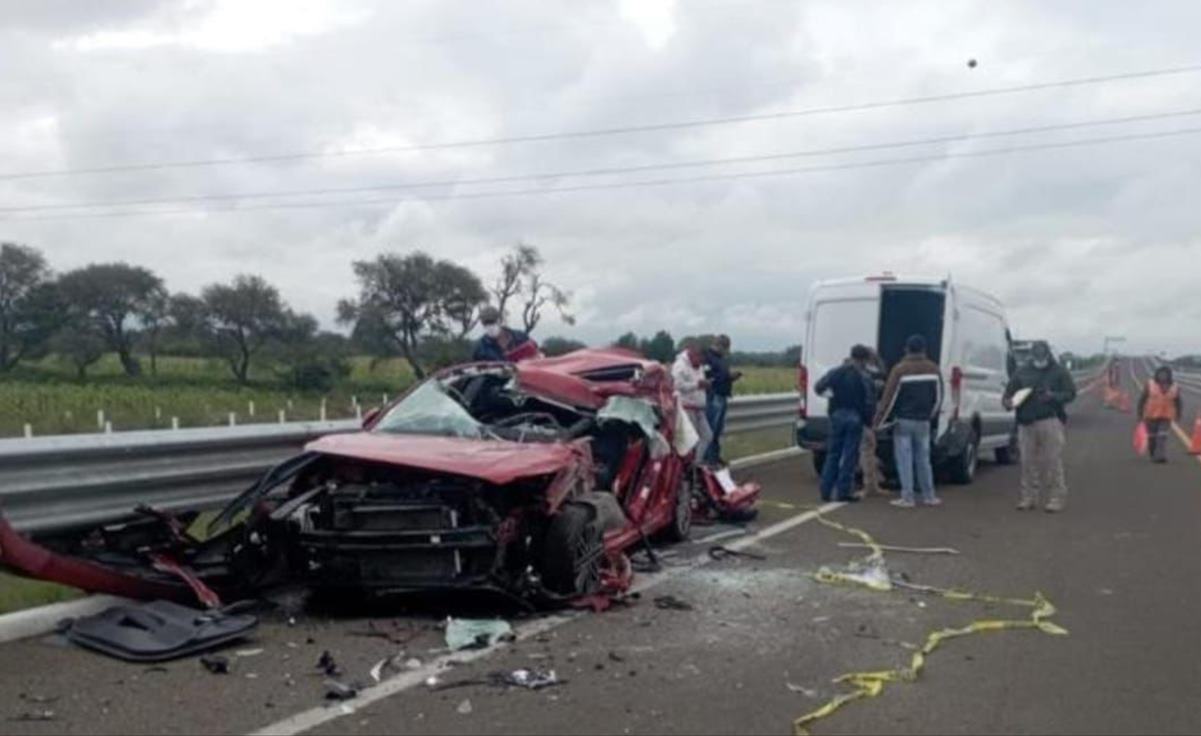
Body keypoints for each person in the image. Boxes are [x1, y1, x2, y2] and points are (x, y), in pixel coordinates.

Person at [1003, 341, 1077, 513]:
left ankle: (1056, 498)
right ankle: (1028, 497)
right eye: (1035, 352)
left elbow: (1071, 393)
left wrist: (1053, 396)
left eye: (1041, 352)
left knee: (1052, 461)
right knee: (1027, 462)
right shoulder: (1021, 371)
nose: (1038, 355)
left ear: (1048, 353)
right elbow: (1009, 392)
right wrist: (1007, 402)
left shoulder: (1059, 371)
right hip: (1025, 421)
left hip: (1049, 420)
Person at [874, 335, 943, 508]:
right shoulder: (934, 369)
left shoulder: (900, 370)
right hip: (924, 421)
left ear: (906, 349)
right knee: (923, 459)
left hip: (903, 421)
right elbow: (939, 396)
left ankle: (908, 497)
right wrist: (931, 415)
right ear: (924, 349)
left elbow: (889, 398)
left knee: (905, 459)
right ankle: (929, 496)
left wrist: (878, 421)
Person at [814, 344, 876, 503]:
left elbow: (818, 387)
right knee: (849, 456)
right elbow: (869, 401)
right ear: (865, 359)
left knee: (833, 454)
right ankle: (843, 491)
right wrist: (868, 422)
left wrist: (831, 397)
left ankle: (825, 490)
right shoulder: (865, 376)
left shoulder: (836, 372)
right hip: (855, 417)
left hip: (837, 415)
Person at [703, 335, 742, 466]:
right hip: (714, 395)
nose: (726, 352)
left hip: (722, 395)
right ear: (720, 346)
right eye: (726, 348)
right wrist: (727, 376)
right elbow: (708, 377)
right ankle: (708, 459)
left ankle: (715, 456)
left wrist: (730, 378)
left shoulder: (720, 359)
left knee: (718, 430)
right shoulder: (708, 358)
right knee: (711, 429)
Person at [673, 341, 713, 465]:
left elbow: (698, 382)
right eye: (700, 358)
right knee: (691, 441)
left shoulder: (699, 366)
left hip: (699, 407)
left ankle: (696, 463)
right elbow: (677, 385)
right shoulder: (680, 365)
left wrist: (705, 385)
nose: (701, 362)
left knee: (707, 436)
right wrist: (697, 385)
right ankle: (689, 467)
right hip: (687, 408)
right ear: (692, 354)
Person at [1137, 366, 1183, 464]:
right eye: (1160, 374)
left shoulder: (1175, 386)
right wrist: (1140, 414)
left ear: (1169, 376)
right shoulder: (1150, 384)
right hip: (1150, 416)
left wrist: (1178, 414)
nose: (1163, 376)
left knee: (1162, 436)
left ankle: (1160, 456)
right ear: (1157, 375)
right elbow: (1142, 400)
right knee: (1152, 438)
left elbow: (1178, 401)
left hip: (1166, 416)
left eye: (1165, 374)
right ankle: (1154, 454)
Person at [858, 349, 887, 498]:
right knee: (867, 449)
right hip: (866, 416)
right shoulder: (875, 374)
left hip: (858, 415)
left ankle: (873, 479)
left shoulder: (858, 372)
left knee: (865, 448)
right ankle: (871, 482)